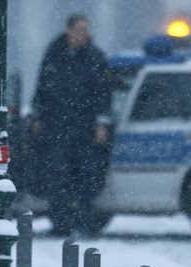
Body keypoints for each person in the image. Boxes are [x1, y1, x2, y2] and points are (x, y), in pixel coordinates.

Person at [31, 14, 112, 237]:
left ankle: (85, 223)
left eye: (87, 30)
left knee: (87, 177)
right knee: (57, 176)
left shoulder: (95, 57)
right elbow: (42, 88)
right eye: (81, 29)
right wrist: (38, 116)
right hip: (57, 127)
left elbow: (103, 94)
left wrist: (102, 123)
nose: (85, 34)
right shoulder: (54, 54)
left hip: (84, 127)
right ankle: (60, 224)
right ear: (69, 31)